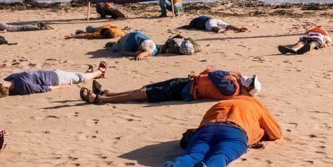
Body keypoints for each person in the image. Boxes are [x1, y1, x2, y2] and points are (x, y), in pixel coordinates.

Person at [154, 94, 282, 167]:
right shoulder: (256, 106)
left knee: (194, 155)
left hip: (206, 130)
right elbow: (276, 133)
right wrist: (259, 133)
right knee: (222, 155)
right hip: (235, 132)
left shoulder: (220, 104)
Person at [83, 68, 259, 105]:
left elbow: (214, 74)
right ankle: (109, 92)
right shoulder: (233, 84)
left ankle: (101, 99)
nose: (245, 78)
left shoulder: (232, 88)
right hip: (186, 83)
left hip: (185, 90)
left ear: (247, 88)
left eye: (248, 80)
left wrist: (232, 74)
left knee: (144, 93)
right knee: (145, 88)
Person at [0, 63, 107, 98]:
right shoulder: (23, 86)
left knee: (76, 75)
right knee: (80, 78)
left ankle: (89, 73)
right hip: (57, 79)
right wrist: (62, 87)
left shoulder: (10, 82)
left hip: (51, 73)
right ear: (2, 85)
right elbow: (43, 88)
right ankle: (100, 72)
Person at [181, 15, 247, 33]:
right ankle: (237, 29)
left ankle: (220, 30)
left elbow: (189, 26)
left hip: (209, 21)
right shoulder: (200, 18)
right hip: (215, 19)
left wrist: (181, 27)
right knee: (226, 25)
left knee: (213, 27)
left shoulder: (194, 21)